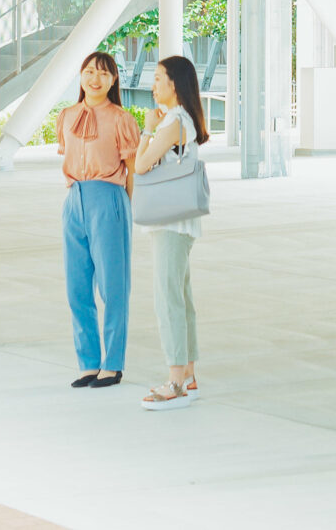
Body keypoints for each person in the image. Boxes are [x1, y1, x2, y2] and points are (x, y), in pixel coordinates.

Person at [132, 51, 208, 408]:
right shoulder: (180, 119)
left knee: (168, 299)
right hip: (180, 221)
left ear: (175, 84)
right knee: (181, 296)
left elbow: (142, 165)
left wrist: (148, 128)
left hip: (171, 221)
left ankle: (175, 381)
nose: (153, 85)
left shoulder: (174, 122)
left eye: (159, 79)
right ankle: (188, 373)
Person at [59, 50, 138, 388]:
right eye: (89, 71)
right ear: (80, 76)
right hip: (73, 199)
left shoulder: (121, 119)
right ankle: (88, 363)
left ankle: (113, 363)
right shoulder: (66, 116)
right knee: (77, 286)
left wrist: (122, 207)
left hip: (109, 198)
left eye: (104, 74)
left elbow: (132, 170)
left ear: (113, 80)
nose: (95, 78)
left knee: (113, 286)